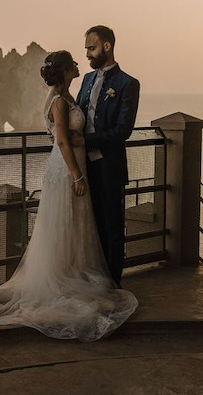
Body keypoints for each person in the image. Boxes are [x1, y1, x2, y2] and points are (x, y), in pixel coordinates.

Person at [0, 50, 138, 342]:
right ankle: (63, 281)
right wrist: (77, 175)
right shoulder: (59, 100)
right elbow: (64, 141)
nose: (80, 64)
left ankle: (70, 271)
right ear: (66, 71)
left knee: (71, 224)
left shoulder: (66, 96)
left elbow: (63, 133)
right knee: (65, 222)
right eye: (74, 64)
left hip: (70, 166)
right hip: (68, 169)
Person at [75, 25, 140, 287]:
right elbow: (78, 113)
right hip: (83, 164)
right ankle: (92, 277)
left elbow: (122, 131)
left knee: (112, 225)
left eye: (91, 48)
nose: (88, 54)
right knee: (90, 224)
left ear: (107, 46)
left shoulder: (128, 84)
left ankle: (113, 284)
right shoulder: (87, 80)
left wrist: (85, 140)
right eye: (86, 49)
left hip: (109, 166)